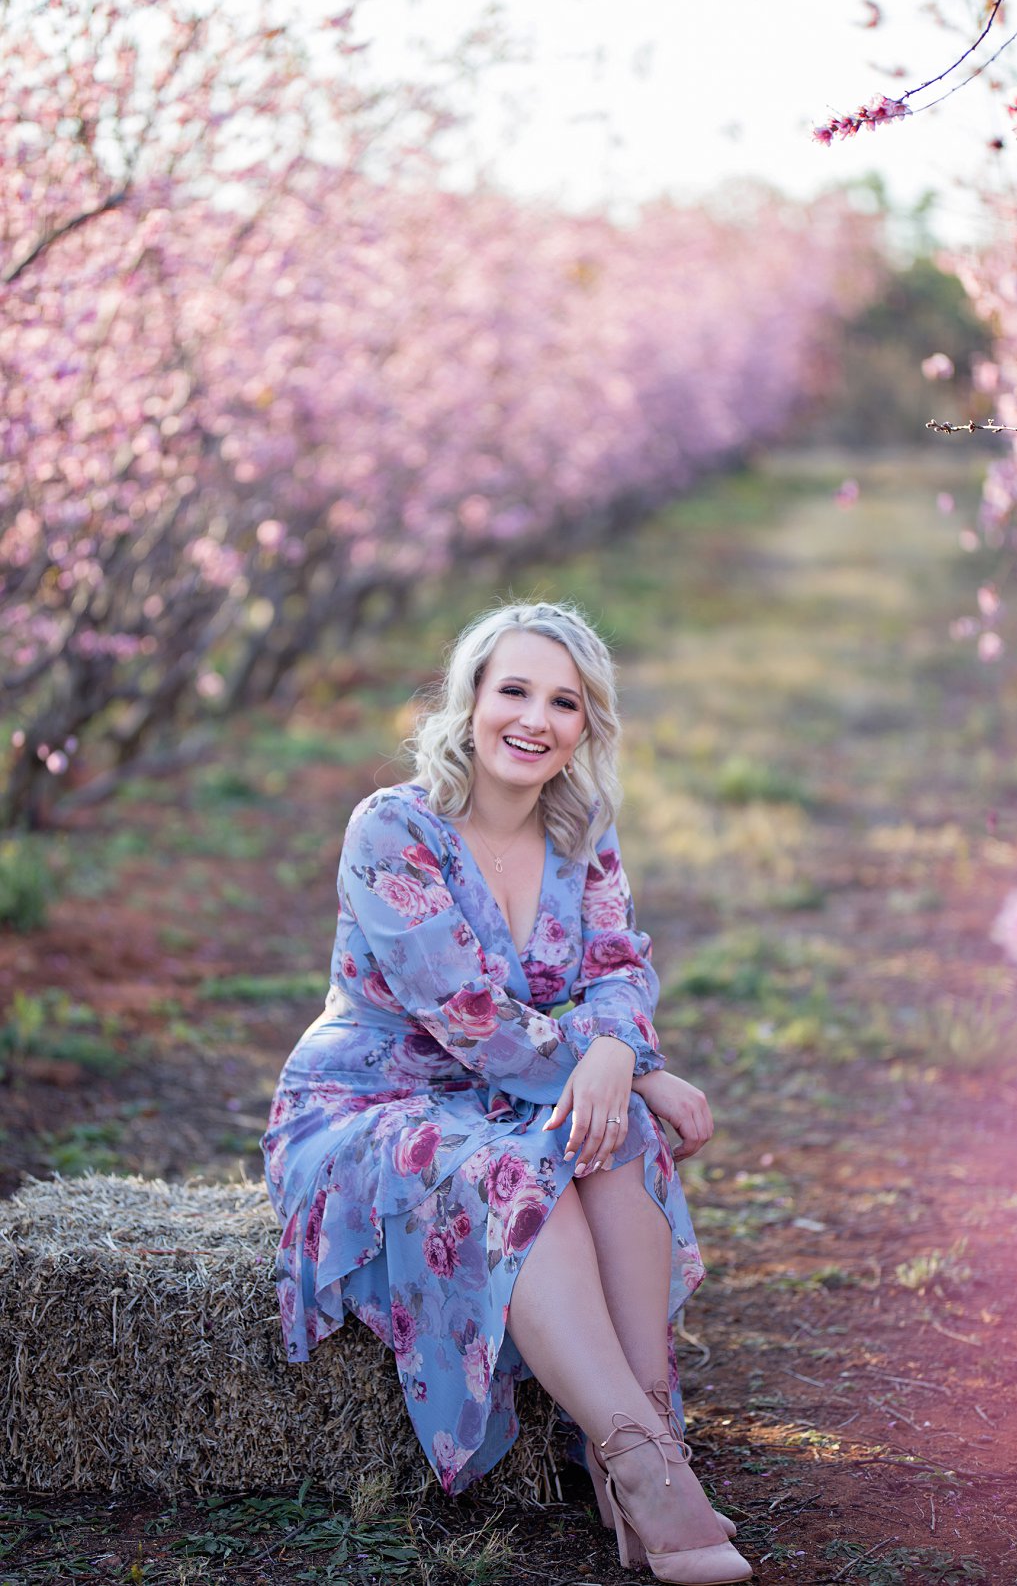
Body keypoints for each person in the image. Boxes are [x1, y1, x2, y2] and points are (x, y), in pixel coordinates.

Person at [262, 601, 753, 1584]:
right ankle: (636, 1461)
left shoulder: (581, 832)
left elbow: (619, 967)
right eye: (514, 690)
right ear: (472, 700)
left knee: (620, 1142)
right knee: (512, 1173)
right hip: (373, 1103)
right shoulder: (392, 829)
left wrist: (619, 1046)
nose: (534, 719)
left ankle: (655, 1441)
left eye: (563, 702)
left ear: (586, 726)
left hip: (510, 1094)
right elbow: (467, 1013)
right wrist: (631, 1064)